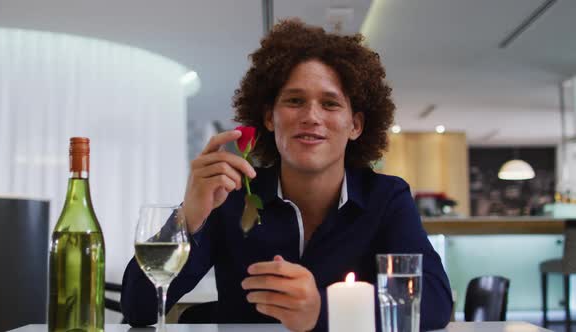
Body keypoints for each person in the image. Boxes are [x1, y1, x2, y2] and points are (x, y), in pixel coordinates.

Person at [121, 19, 453, 331]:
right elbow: (137, 306)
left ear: (356, 125)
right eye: (295, 100)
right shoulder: (232, 197)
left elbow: (435, 303)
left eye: (330, 104)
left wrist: (319, 312)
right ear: (269, 118)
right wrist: (188, 218)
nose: (311, 116)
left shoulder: (385, 197)